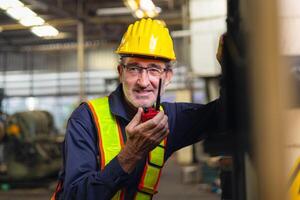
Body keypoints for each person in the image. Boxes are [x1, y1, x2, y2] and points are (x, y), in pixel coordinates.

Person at [52, 18, 225, 200]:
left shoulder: (170, 119)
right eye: (134, 69)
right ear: (120, 72)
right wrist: (130, 153)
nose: (143, 82)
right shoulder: (86, 119)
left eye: (153, 70)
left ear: (167, 76)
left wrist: (230, 67)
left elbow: (225, 115)